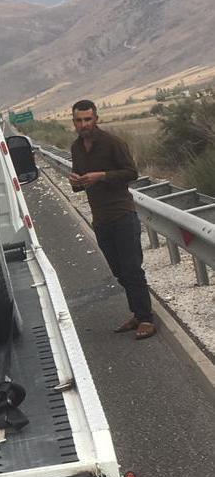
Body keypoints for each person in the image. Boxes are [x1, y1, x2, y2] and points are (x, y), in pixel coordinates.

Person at [69, 99, 156, 340]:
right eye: (79, 120)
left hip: (122, 215)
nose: (84, 124)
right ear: (74, 122)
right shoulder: (76, 148)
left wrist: (103, 175)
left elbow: (131, 173)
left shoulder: (112, 143)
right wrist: (76, 182)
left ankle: (146, 319)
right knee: (119, 272)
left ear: (96, 119)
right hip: (100, 219)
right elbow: (80, 182)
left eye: (88, 119)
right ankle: (137, 313)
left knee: (132, 270)